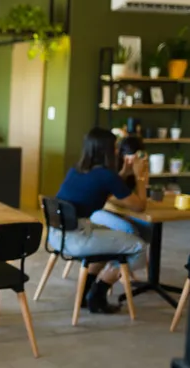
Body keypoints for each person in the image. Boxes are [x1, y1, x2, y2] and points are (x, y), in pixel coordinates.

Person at [47, 127, 148, 314]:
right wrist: (140, 176)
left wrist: (125, 172)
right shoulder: (106, 175)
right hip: (76, 239)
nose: (117, 151)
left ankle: (85, 293)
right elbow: (139, 206)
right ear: (106, 150)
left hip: (56, 236)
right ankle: (98, 294)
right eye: (115, 147)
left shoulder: (76, 170)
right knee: (138, 247)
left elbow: (106, 186)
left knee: (109, 245)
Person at [89, 134, 152, 242]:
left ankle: (137, 257)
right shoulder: (111, 165)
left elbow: (140, 199)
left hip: (121, 210)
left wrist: (141, 174)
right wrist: (128, 174)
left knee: (147, 228)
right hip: (100, 211)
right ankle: (125, 255)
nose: (134, 161)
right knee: (131, 231)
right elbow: (109, 196)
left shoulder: (140, 166)